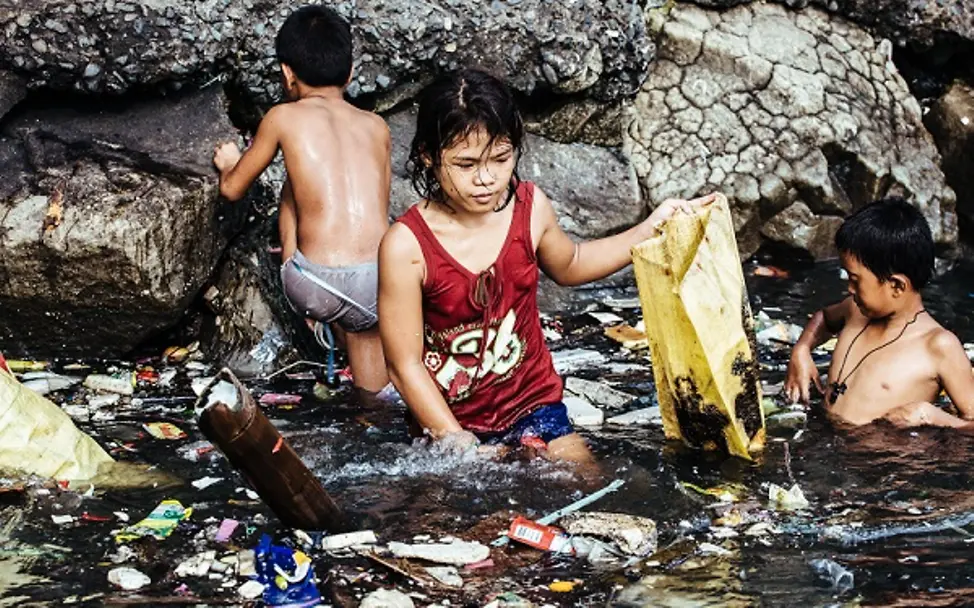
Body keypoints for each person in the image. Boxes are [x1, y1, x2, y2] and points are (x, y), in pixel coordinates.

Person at [377, 68, 715, 462]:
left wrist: (648, 228)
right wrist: (458, 442)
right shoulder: (406, 246)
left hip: (533, 403)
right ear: (429, 157)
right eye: (466, 165)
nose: (486, 179)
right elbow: (404, 364)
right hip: (451, 417)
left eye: (501, 159)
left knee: (584, 481)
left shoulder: (530, 207)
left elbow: (570, 264)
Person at [213, 5, 391, 397]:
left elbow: (232, 189)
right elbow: (380, 202)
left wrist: (230, 163)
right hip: (377, 283)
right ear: (348, 73)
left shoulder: (281, 117)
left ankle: (325, 317)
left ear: (287, 74)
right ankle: (365, 391)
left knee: (294, 185)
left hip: (314, 283)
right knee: (373, 391)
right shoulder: (376, 127)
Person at [784, 198, 974, 428]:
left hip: (880, 458)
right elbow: (823, 318)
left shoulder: (939, 346)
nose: (849, 289)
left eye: (855, 280)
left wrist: (931, 416)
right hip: (829, 439)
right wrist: (802, 349)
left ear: (896, 286)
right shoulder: (854, 310)